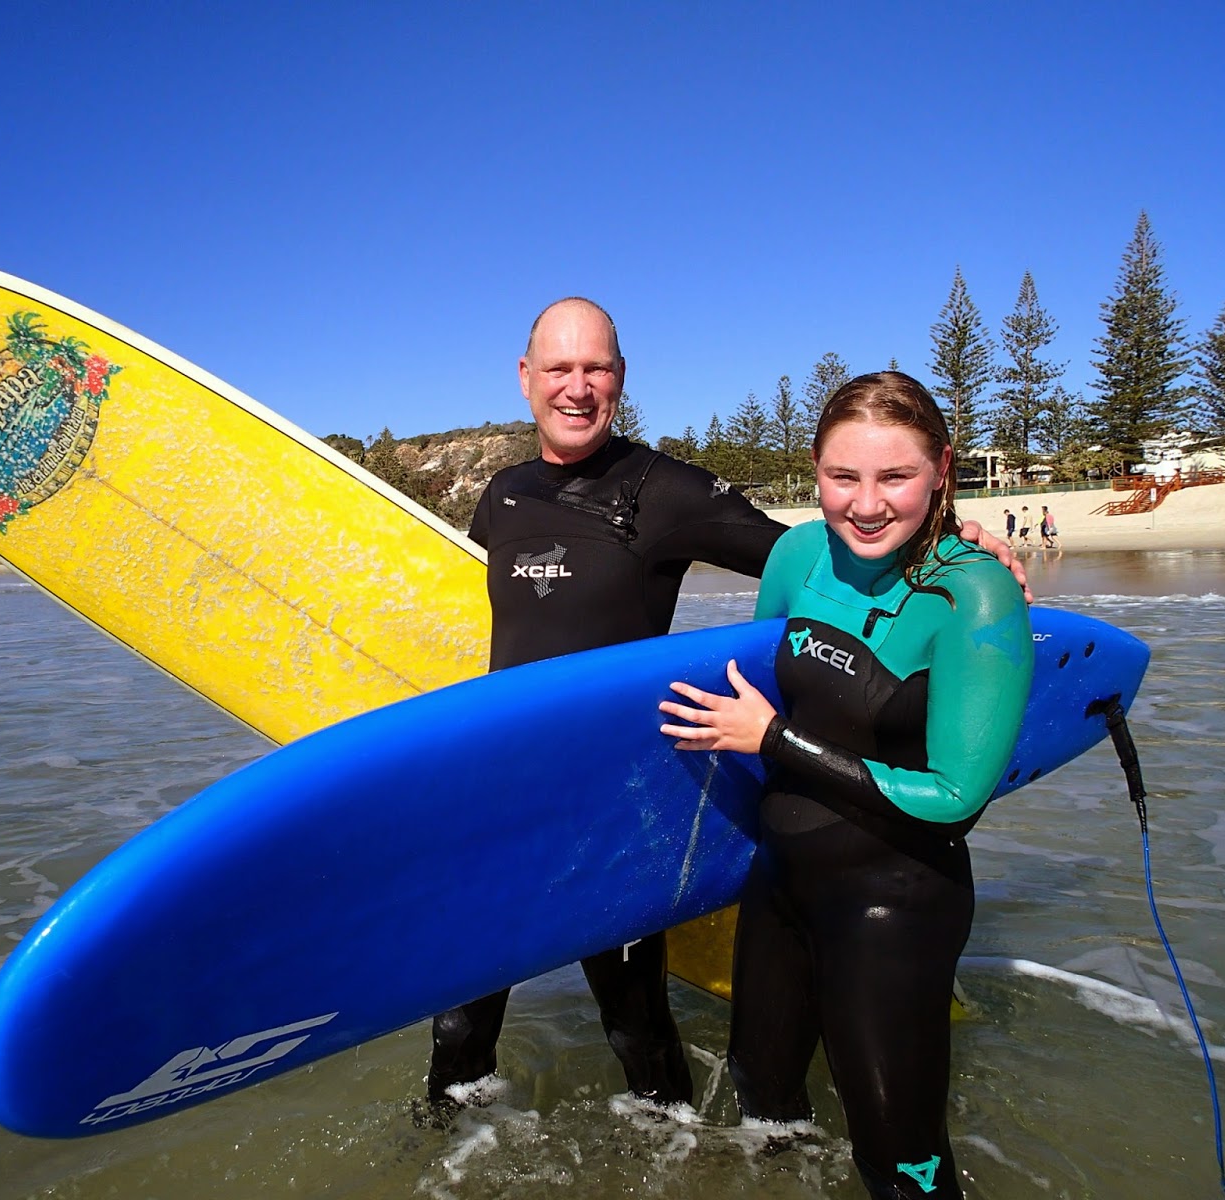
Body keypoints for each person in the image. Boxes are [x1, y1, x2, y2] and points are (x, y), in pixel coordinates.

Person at [432, 301, 1027, 1116]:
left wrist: (959, 545)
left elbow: (823, 550)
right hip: (506, 802)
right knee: (457, 1030)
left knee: (635, 1029)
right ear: (526, 377)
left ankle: (668, 1150)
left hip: (616, 810)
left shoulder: (665, 490)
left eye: (597, 368)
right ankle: (452, 1160)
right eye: (559, 369)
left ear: (621, 377)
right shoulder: (500, 497)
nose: (578, 388)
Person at [657, 371, 1032, 1198]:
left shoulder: (975, 595)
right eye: (842, 477)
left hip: (894, 900)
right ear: (815, 471)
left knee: (900, 1164)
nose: (866, 505)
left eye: (895, 477)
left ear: (941, 468)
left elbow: (955, 795)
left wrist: (776, 740)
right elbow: (754, 681)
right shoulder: (795, 554)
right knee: (763, 1101)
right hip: (781, 884)